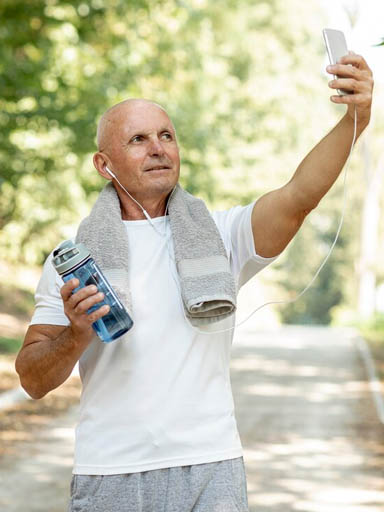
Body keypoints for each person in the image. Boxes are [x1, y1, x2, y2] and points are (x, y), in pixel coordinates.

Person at [15, 52, 373, 512]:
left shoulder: (221, 236)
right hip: (110, 473)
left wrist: (355, 121)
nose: (158, 147)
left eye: (167, 135)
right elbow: (32, 379)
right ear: (104, 165)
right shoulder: (74, 262)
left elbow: (298, 196)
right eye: (138, 139)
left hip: (212, 467)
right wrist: (76, 332)